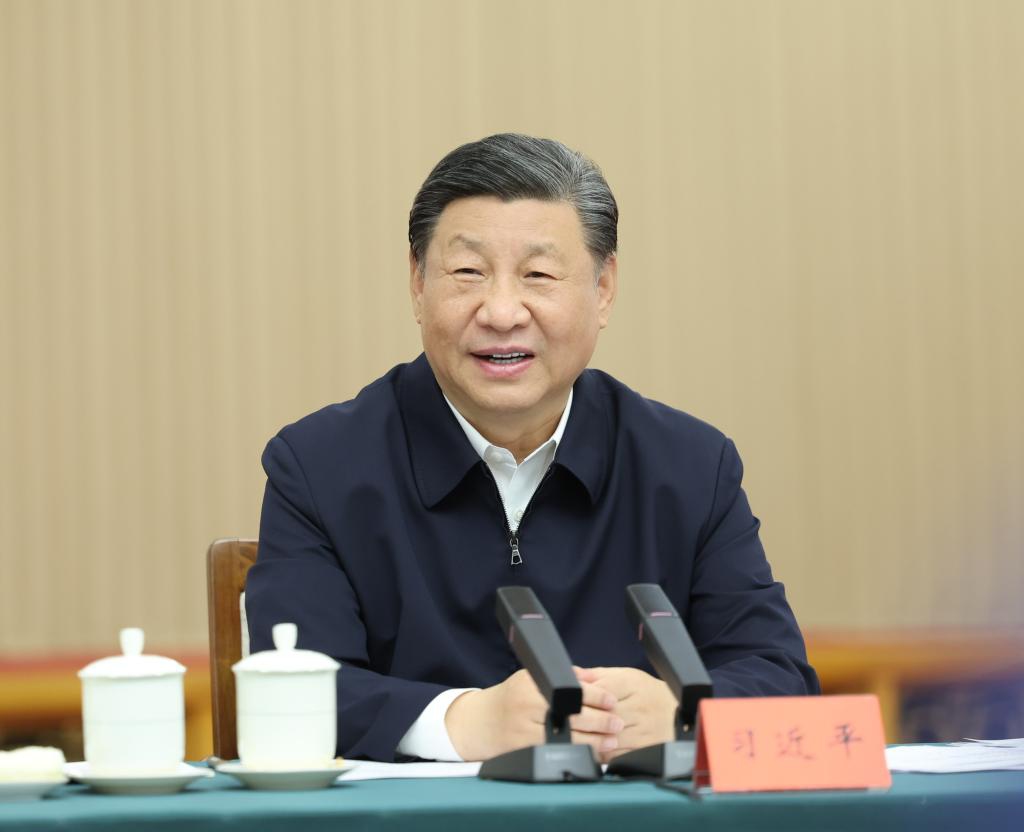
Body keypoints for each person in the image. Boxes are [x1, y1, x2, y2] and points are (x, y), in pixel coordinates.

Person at [246, 133, 819, 764]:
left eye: (539, 275)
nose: (500, 311)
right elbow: (289, 689)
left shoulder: (689, 467)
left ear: (603, 289)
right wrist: (463, 722)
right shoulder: (320, 465)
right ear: (417, 284)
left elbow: (779, 676)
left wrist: (683, 712)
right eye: (467, 272)